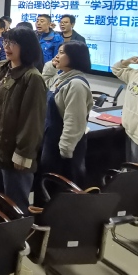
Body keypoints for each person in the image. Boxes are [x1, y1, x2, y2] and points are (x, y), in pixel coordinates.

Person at [0, 27, 47, 211]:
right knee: (0, 198)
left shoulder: (32, 77)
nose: (7, 47)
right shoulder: (2, 68)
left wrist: (23, 154)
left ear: (26, 46)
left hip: (14, 152)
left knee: (15, 205)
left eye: (13, 43)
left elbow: (32, 120)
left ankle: (17, 230)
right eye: (6, 42)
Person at [38, 42, 93, 197]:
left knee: (62, 188)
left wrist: (65, 150)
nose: (57, 56)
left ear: (73, 57)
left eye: (61, 52)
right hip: (52, 140)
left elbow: (74, 121)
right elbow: (45, 81)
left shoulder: (76, 84)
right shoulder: (61, 77)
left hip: (64, 146)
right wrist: (52, 65)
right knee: (49, 183)